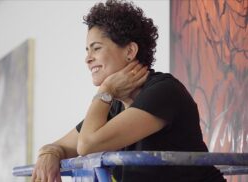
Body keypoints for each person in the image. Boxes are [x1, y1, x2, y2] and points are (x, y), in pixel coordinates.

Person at [31, 0, 226, 181]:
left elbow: (87, 144)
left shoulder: (164, 91)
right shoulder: (114, 107)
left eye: (96, 48)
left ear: (130, 52)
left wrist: (106, 89)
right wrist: (49, 153)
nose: (88, 58)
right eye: (87, 50)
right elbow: (63, 145)